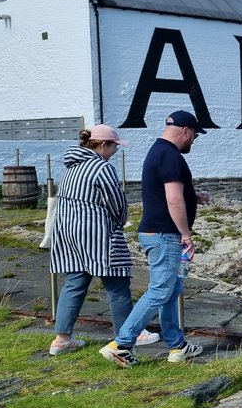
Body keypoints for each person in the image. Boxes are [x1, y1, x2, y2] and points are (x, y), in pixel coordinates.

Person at [102, 110, 207, 368]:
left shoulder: (158, 152)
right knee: (160, 290)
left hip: (156, 233)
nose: (193, 140)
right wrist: (186, 234)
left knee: (171, 290)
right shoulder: (170, 156)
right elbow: (173, 199)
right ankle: (121, 344)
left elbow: (171, 194)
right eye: (194, 135)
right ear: (185, 131)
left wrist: (195, 197)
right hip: (165, 235)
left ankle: (177, 346)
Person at [47, 125, 159, 355]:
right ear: (102, 145)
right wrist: (119, 223)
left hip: (67, 232)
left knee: (75, 282)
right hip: (97, 233)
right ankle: (129, 334)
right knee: (117, 285)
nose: (115, 150)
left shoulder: (71, 167)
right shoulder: (100, 167)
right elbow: (117, 202)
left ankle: (62, 339)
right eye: (114, 146)